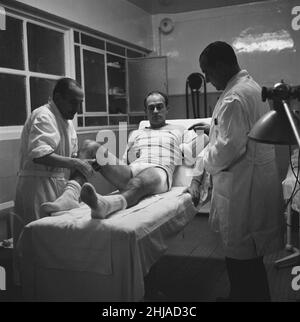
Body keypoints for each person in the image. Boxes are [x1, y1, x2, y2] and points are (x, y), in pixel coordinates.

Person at [187, 41, 284, 301]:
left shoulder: (233, 98)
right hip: (253, 182)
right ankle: (241, 296)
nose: (206, 80)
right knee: (250, 260)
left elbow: (229, 149)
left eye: (207, 73)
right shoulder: (251, 88)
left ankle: (245, 296)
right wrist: (214, 131)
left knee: (242, 261)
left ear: (221, 65)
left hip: (242, 190)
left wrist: (203, 157)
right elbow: (237, 132)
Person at [78, 91, 207, 219]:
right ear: (146, 111)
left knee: (137, 182)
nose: (155, 111)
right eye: (151, 108)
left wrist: (195, 183)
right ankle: (71, 193)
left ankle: (106, 206)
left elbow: (201, 153)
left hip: (158, 171)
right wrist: (104, 165)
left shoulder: (181, 130)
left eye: (159, 106)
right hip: (132, 169)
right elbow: (125, 161)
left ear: (167, 108)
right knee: (89, 146)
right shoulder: (135, 134)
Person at [14, 78, 94, 249]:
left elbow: (70, 156)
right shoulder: (44, 115)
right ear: (58, 97)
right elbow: (40, 155)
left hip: (59, 187)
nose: (77, 109)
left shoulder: (68, 123)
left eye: (80, 103)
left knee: (56, 246)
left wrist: (84, 163)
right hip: (37, 189)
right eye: (73, 102)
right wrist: (77, 163)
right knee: (36, 244)